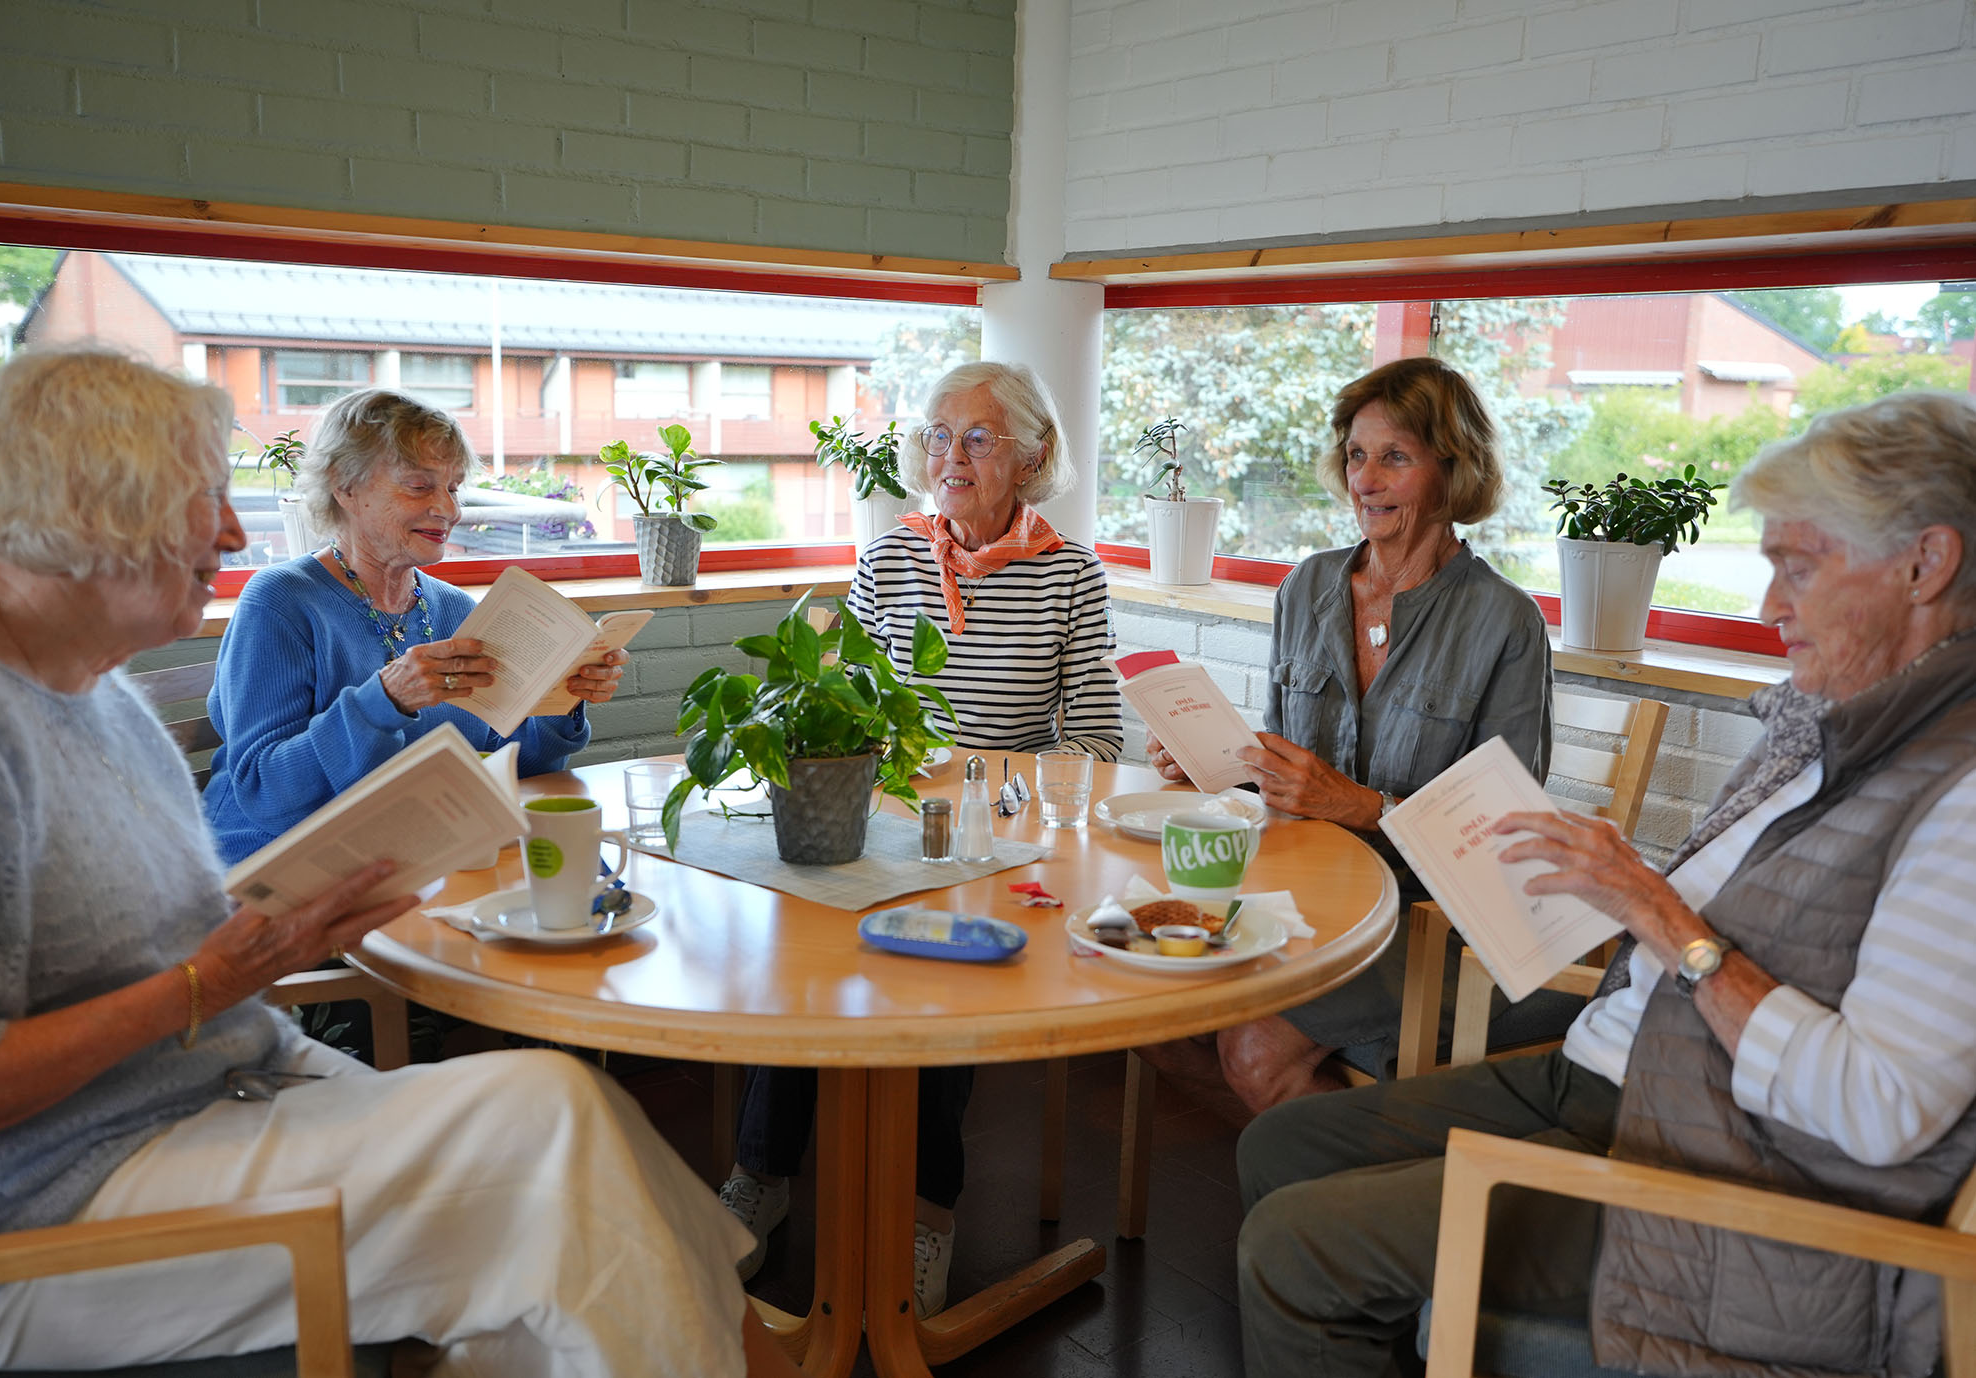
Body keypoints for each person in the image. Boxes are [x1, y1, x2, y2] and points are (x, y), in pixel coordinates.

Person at [0, 346, 799, 1377]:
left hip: (221, 1085)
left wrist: (270, 942)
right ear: (92, 508)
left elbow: (159, 946)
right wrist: (216, 979)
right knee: (557, 1142)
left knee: (574, 1132)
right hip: (41, 1207)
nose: (237, 530)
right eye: (206, 501)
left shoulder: (91, 686)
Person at [1237, 390, 1976, 1378]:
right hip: (1609, 1076)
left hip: (1707, 1170)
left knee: (1296, 1242)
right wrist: (1614, 893)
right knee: (1276, 1149)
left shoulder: (1956, 790)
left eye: (1798, 566)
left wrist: (1656, 912)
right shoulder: (1827, 728)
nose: (1769, 608)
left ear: (1927, 564)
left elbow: (1881, 1105)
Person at [718, 361, 1123, 1318]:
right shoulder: (891, 558)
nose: (951, 456)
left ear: (1030, 456)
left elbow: (1099, 741)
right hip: (888, 822)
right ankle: (760, 1174)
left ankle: (924, 1217)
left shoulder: (1069, 572)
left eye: (977, 437)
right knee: (801, 954)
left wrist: (984, 781)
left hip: (1000, 840)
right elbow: (841, 703)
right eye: (938, 436)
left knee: (942, 985)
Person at [1143, 355, 1552, 1117]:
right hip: (1303, 892)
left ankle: (1335, 1218)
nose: (1365, 480)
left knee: (1254, 1048)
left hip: (1427, 923)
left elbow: (1503, 837)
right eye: (1356, 456)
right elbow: (1286, 776)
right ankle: (1330, 1168)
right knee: (1146, 1001)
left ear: (1452, 469)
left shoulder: (1504, 622)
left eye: (1395, 457)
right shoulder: (1306, 586)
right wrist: (1213, 766)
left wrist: (1359, 806)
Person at [203, 387, 626, 864]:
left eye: (454, 487)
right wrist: (384, 700)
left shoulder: (453, 609)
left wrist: (558, 701)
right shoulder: (281, 603)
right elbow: (266, 793)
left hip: (415, 858)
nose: (448, 509)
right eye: (420, 486)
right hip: (281, 868)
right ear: (345, 486)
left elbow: (515, 771)